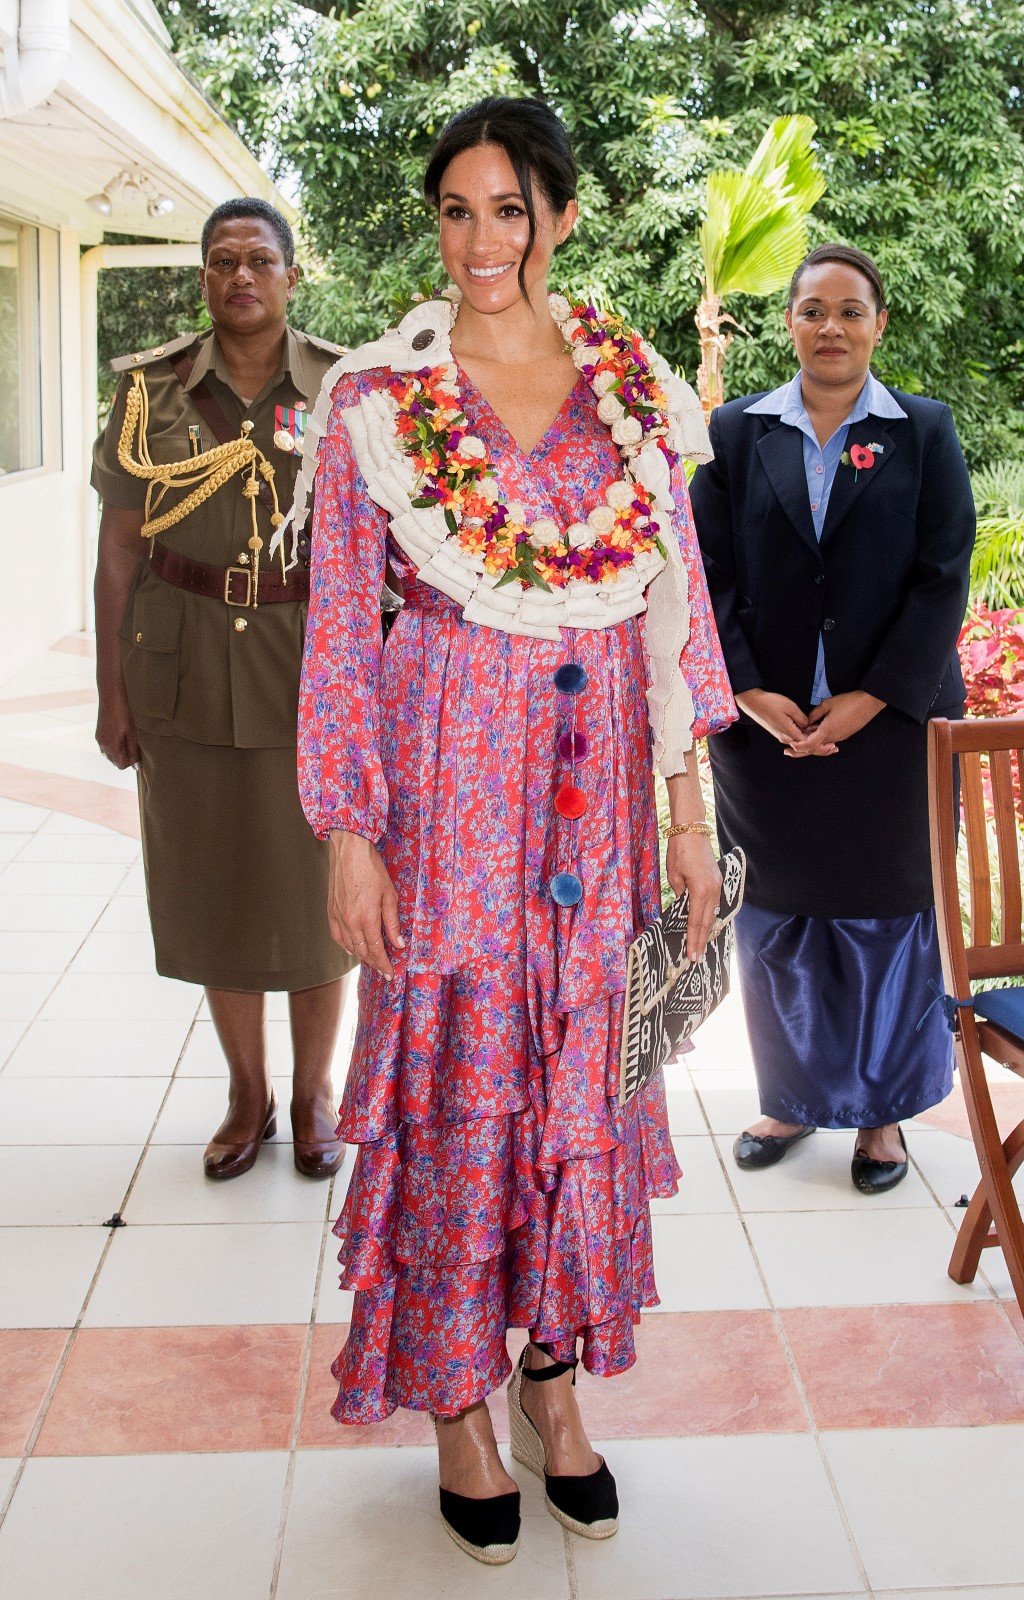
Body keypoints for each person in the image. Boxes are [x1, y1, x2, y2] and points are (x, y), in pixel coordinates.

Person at [295, 97, 735, 1563]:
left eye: (506, 208)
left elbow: (679, 617)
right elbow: (342, 650)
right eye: (455, 211)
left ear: (558, 214)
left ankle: (553, 1383)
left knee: (581, 1082)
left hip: (599, 792)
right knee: (460, 1080)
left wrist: (688, 814)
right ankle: (458, 1409)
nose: (480, 240)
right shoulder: (380, 402)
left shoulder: (633, 389)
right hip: (450, 790)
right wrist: (350, 833)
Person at [690, 242, 975, 1194]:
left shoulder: (924, 432)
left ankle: (885, 1113)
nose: (832, 328)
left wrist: (872, 696)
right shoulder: (735, 433)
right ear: (789, 323)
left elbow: (943, 581)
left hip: (892, 728)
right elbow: (706, 572)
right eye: (813, 310)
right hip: (765, 726)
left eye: (851, 311)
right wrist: (743, 685)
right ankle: (794, 1096)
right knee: (779, 914)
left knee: (889, 914)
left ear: (879, 324)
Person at [92, 198, 354, 1181]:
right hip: (184, 666)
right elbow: (120, 552)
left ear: (291, 275)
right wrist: (112, 694)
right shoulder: (150, 393)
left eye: (258, 260)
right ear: (203, 278)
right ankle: (247, 1095)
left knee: (319, 898)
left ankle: (314, 1092)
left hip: (306, 669)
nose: (239, 276)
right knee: (217, 894)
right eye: (221, 262)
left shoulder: (341, 387)